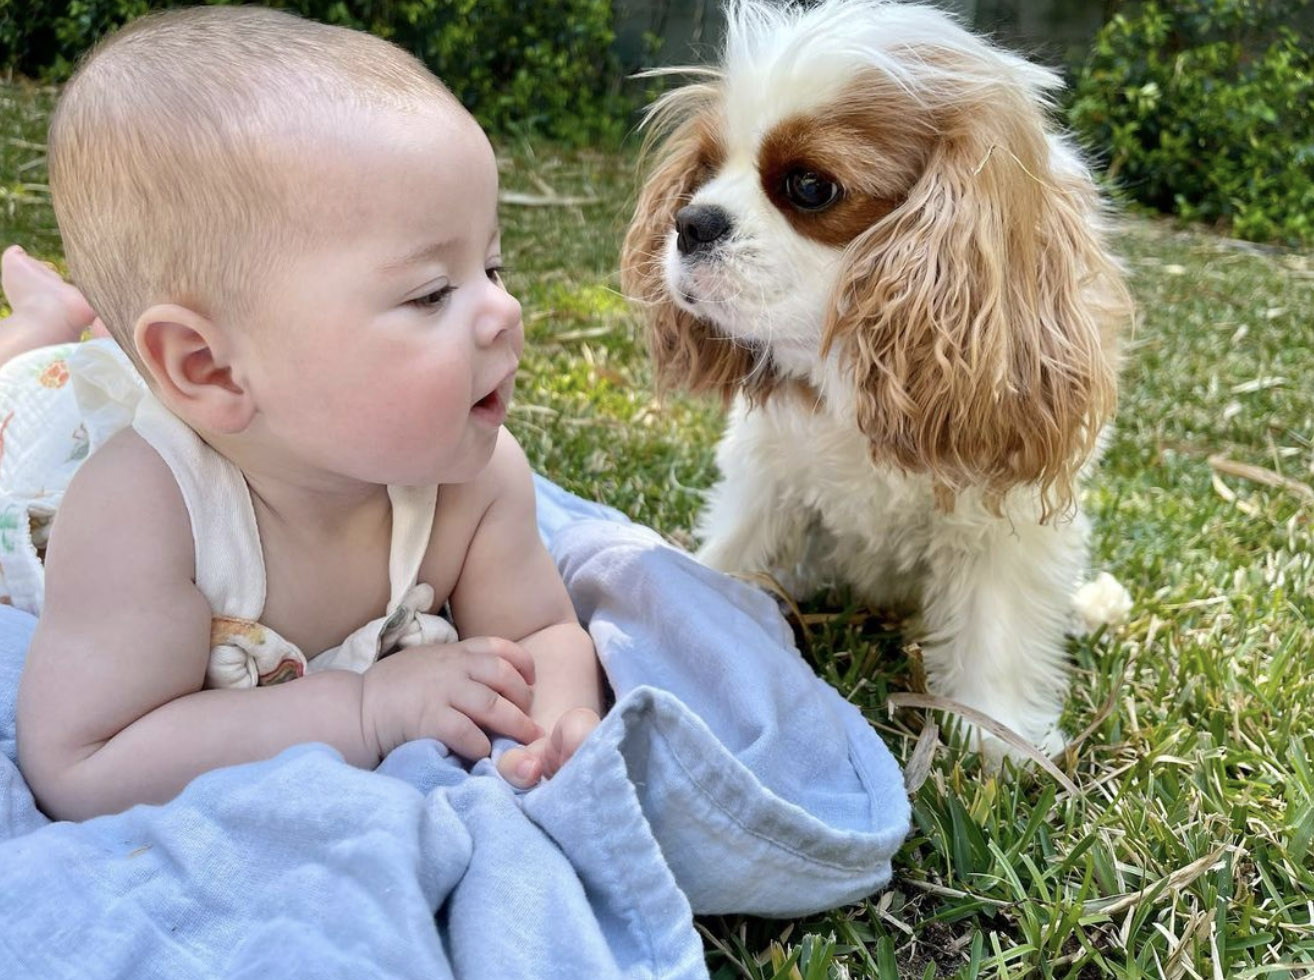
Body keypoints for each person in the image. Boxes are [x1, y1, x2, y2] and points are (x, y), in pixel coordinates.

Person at [4, 5, 603, 821]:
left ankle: (85, 324)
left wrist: (565, 722)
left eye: (492, 265)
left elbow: (539, 632)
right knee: (37, 379)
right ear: (211, 366)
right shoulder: (137, 516)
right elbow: (86, 763)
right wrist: (363, 710)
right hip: (35, 446)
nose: (505, 311)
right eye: (432, 292)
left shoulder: (477, 483)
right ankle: (43, 326)